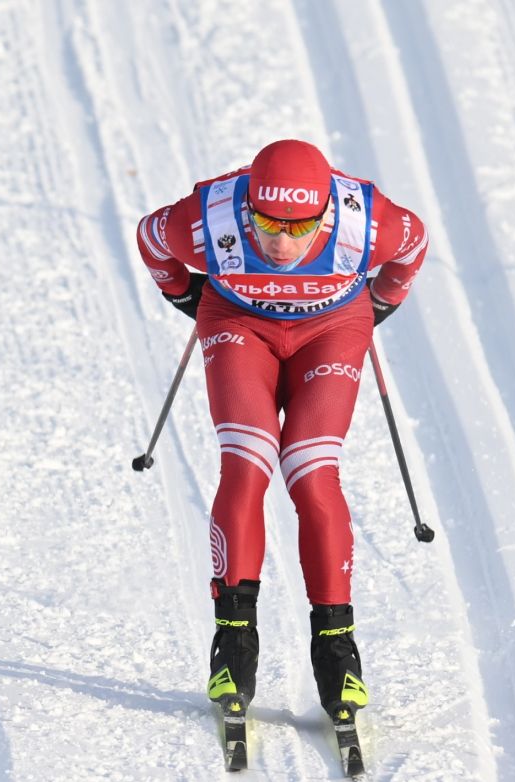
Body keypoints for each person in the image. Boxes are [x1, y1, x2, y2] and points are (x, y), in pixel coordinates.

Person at [136, 139, 427, 724]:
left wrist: (384, 299)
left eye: (299, 227)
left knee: (311, 471)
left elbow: (414, 245)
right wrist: (182, 292)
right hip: (240, 324)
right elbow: (149, 237)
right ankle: (234, 642)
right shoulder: (208, 217)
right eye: (268, 224)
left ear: (325, 213)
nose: (282, 243)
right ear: (248, 209)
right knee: (247, 461)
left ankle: (337, 648)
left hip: (332, 329)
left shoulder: (366, 223)